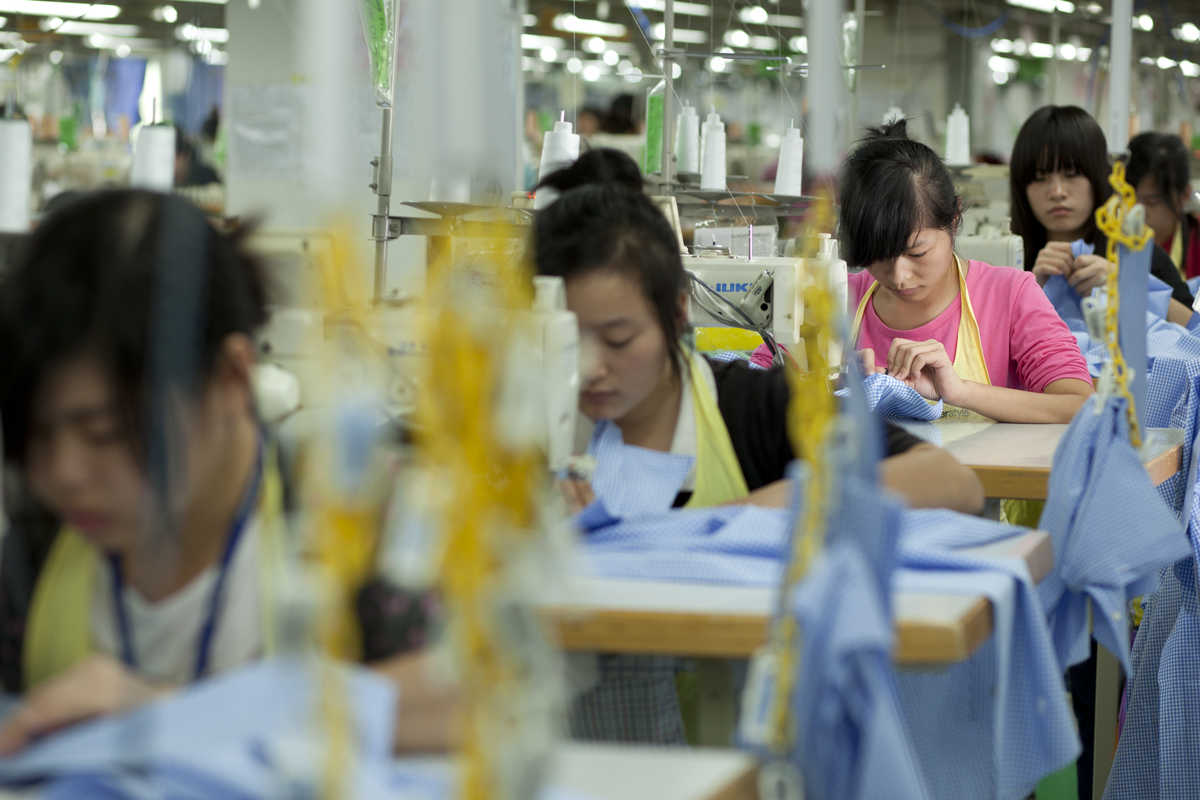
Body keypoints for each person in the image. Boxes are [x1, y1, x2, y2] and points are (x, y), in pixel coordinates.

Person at [0, 190, 455, 755]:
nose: (64, 473)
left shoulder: (350, 514)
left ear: (232, 378)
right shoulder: (39, 541)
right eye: (38, 435)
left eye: (105, 433)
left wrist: (172, 715)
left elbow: (475, 698)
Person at [538, 149, 985, 515]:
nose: (590, 368)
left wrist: (752, 511)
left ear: (677, 312)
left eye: (617, 340)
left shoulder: (753, 407)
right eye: (566, 342)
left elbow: (953, 481)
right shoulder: (515, 414)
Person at [769, 120, 1093, 424]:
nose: (899, 276)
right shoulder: (835, 298)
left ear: (953, 220)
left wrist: (960, 392)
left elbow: (1079, 405)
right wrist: (822, 389)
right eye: (878, 257)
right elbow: (752, 390)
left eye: (916, 252)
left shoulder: (1010, 295)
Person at [1010, 106, 1194, 325]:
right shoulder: (1009, 262)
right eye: (1040, 177)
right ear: (1022, 187)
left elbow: (1194, 329)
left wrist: (1125, 286)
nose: (1057, 192)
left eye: (1072, 174)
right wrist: (1030, 291)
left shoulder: (1136, 252)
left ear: (1097, 177)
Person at [1126, 131, 1200, 280]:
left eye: (1150, 202)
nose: (1136, 212)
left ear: (1184, 195)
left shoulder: (1196, 241)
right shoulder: (1112, 239)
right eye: (1128, 198)